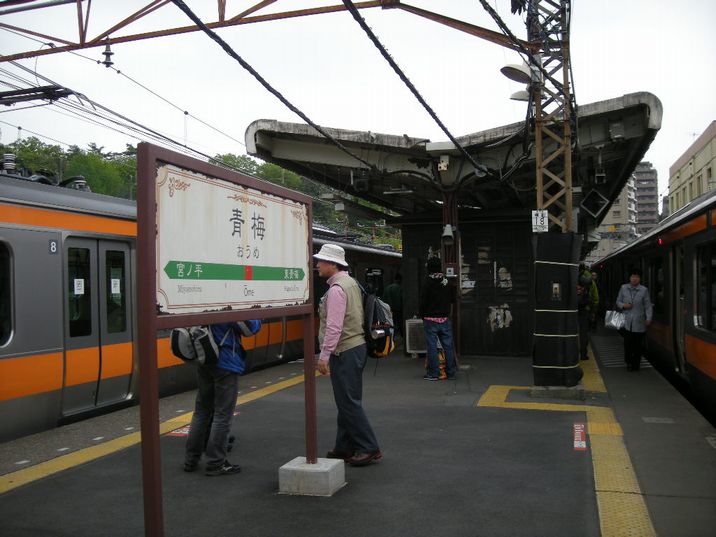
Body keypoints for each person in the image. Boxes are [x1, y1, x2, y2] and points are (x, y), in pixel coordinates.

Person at [314, 244, 382, 467]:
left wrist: (323, 356)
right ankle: (344, 447)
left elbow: (334, 327)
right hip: (356, 347)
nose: (317, 265)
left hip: (345, 350)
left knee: (349, 402)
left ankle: (369, 447)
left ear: (333, 264)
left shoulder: (336, 290)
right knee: (347, 400)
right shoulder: (351, 283)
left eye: (321, 261)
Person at [184, 319, 262, 476]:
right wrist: (258, 317)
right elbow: (250, 328)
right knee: (222, 415)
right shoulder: (227, 300)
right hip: (225, 361)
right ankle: (216, 462)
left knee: (201, 412)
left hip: (204, 358)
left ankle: (191, 460)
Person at [419, 256, 457, 381]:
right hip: (444, 318)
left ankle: (434, 374)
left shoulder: (427, 282)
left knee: (432, 346)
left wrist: (422, 315)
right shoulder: (446, 281)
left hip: (430, 319)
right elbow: (453, 299)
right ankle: (451, 372)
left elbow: (423, 301)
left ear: (429, 268)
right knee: (448, 346)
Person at [616, 268, 653, 371]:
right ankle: (628, 362)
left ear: (640, 279)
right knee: (627, 344)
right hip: (626, 322)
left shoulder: (644, 290)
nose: (634, 279)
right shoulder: (623, 288)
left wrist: (649, 318)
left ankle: (636, 364)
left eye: (637, 277)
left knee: (637, 345)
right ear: (629, 278)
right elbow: (618, 302)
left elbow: (647, 306)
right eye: (633, 277)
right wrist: (624, 306)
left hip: (639, 322)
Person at [577, 264, 594, 360]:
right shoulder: (586, 278)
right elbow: (593, 296)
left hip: (571, 308)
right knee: (583, 332)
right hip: (583, 308)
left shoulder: (567, 275)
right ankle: (583, 354)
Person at [383, 274, 403, 339]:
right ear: (400, 280)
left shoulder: (387, 287)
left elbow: (384, 299)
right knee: (399, 323)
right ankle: (402, 336)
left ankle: (391, 337)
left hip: (388, 310)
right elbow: (402, 300)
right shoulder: (400, 288)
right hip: (398, 310)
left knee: (391, 324)